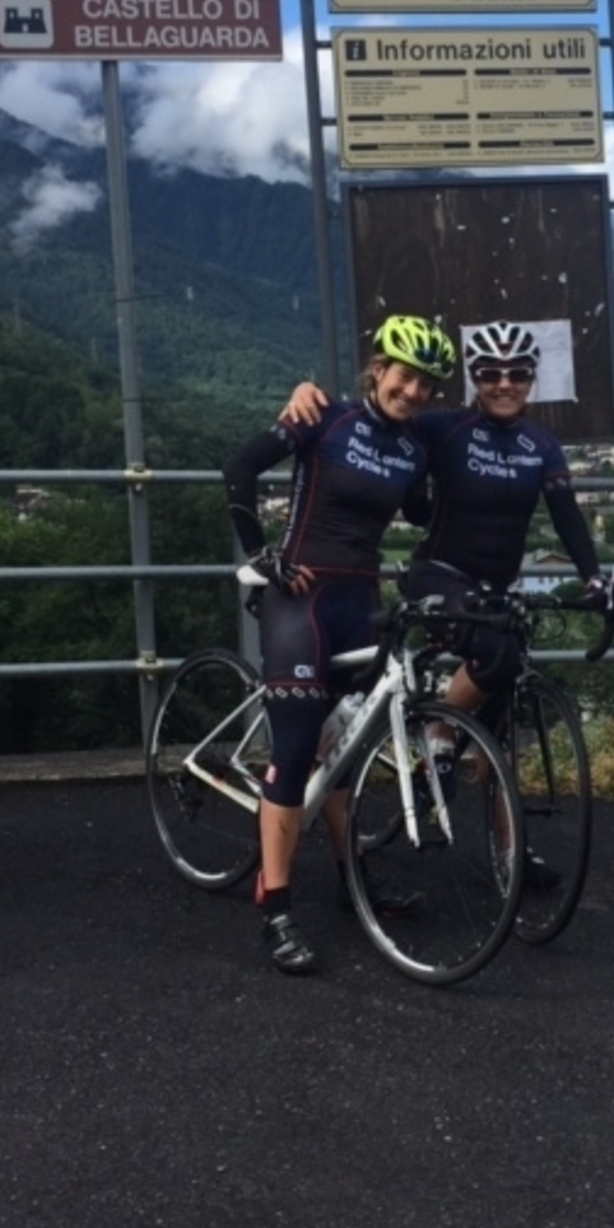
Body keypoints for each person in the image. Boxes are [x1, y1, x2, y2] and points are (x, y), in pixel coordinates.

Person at [282, 319, 614, 886]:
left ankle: (511, 855)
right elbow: (375, 416)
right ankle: (438, 738)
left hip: (495, 592)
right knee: (496, 654)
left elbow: (568, 518)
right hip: (439, 577)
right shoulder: (444, 428)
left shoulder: (542, 446)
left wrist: (595, 581)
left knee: (502, 726)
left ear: (532, 380)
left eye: (517, 374)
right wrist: (307, 392)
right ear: (474, 380)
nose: (504, 383)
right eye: (490, 373)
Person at [222, 314, 455, 975]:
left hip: (361, 604)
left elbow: (425, 513)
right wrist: (260, 557)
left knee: (346, 747)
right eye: (404, 376)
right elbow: (240, 468)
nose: (413, 391)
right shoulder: (323, 418)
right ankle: (276, 907)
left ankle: (354, 879)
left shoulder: (413, 448)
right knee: (297, 750)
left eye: (427, 384)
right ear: (378, 369)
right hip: (302, 597)